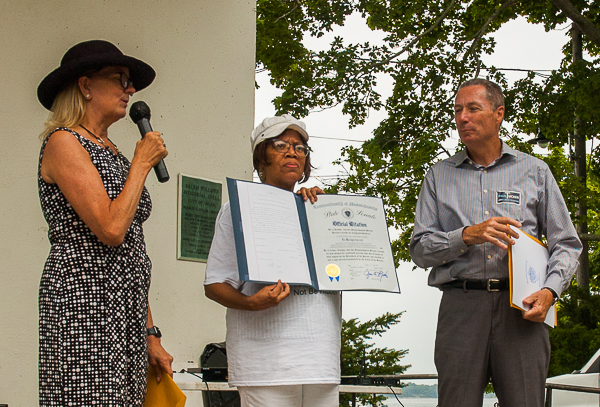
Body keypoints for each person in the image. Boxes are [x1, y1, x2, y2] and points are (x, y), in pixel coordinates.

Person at [409, 78, 582, 407]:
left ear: (498, 113)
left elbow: (567, 244)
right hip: (461, 307)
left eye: (473, 108)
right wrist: (466, 236)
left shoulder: (535, 171)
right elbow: (419, 249)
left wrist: (550, 292)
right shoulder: (438, 176)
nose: (463, 118)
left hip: (522, 310)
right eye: (458, 110)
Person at [37, 40, 173, 406]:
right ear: (85, 86)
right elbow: (111, 230)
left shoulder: (111, 150)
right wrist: (142, 164)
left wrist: (150, 332)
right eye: (119, 78)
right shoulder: (63, 142)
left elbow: (133, 248)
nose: (130, 89)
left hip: (124, 307)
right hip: (84, 301)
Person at [204, 114, 342, 407]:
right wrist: (251, 303)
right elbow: (214, 284)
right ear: (261, 156)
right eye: (280, 145)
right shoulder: (238, 210)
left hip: (321, 361)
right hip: (266, 364)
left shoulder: (321, 211)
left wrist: (328, 217)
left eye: (300, 147)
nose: (292, 152)